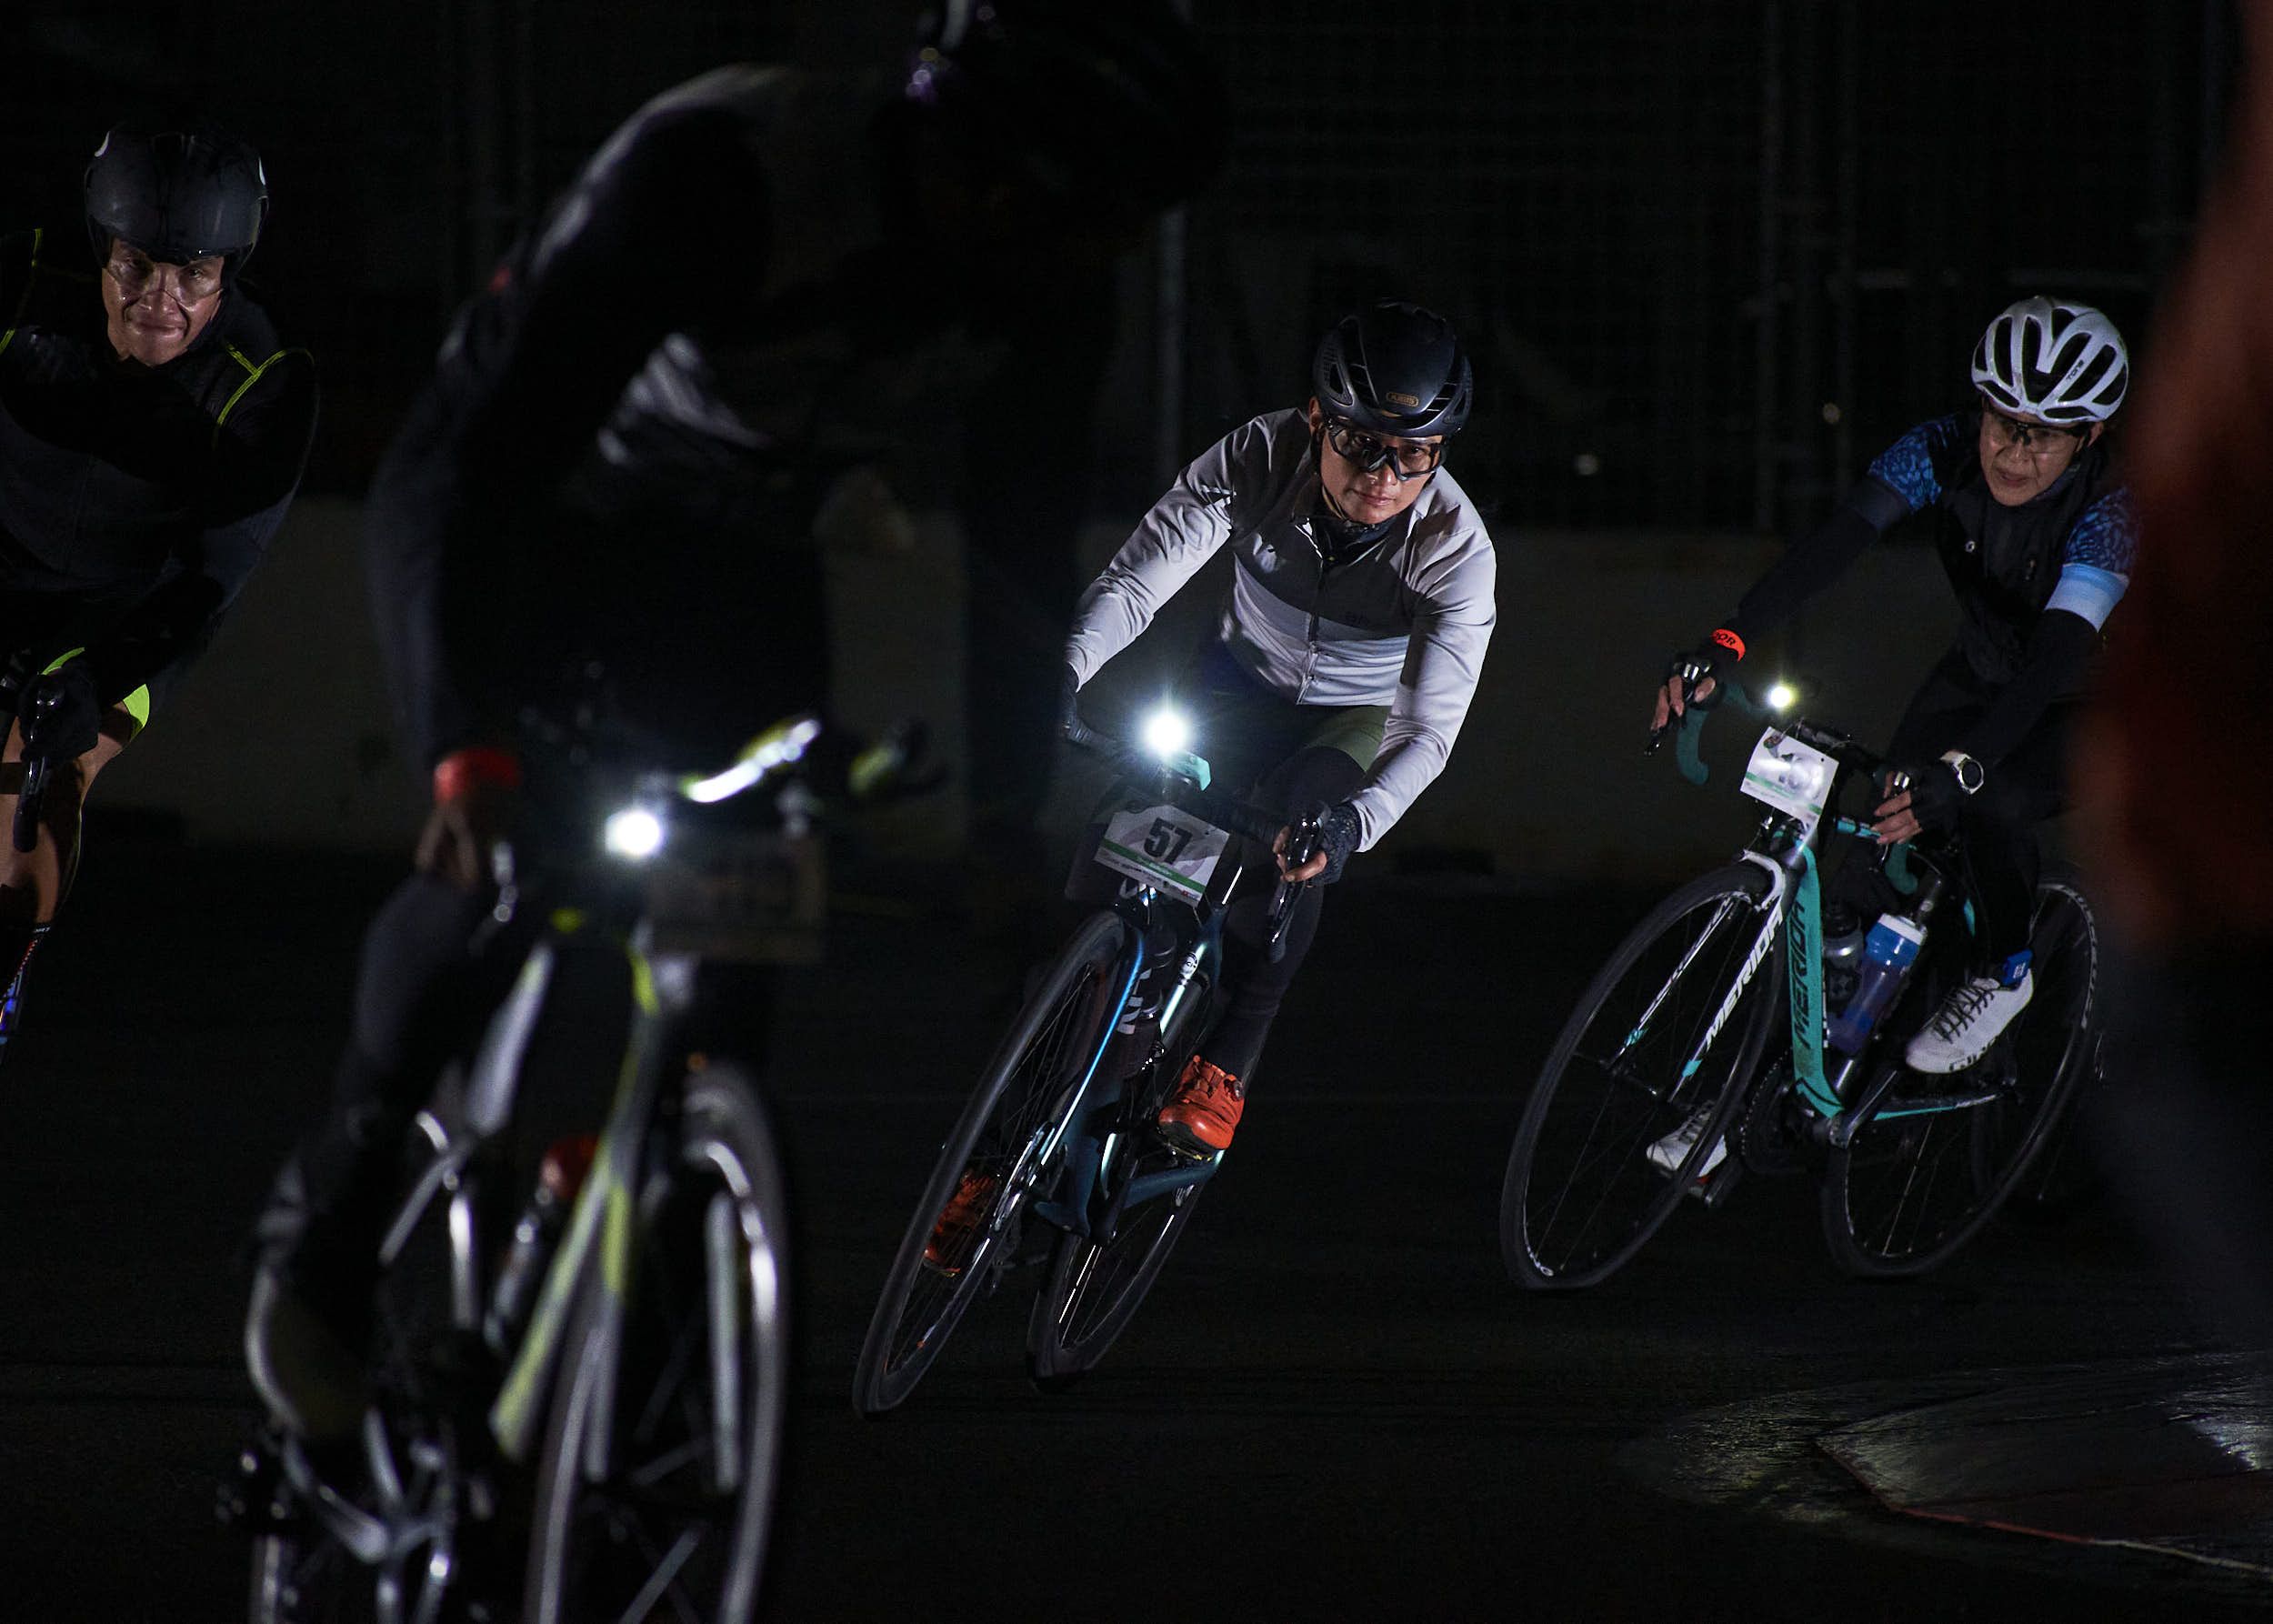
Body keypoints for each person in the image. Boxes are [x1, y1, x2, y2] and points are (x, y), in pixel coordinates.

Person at [245, 0, 1229, 1440]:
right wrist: (468, 749)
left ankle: (651, 1318)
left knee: (737, 941)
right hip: (540, 505)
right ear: (1004, 166)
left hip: (742, 555)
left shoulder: (1049, 284)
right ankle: (328, 1225)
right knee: (504, 864)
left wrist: (1011, 822)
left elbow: (1019, 554)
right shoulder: (727, 175)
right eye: (1096, 220)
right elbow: (472, 468)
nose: (1102, 266)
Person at [1055, 300, 1496, 1158]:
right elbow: (1137, 584)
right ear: (1317, 419)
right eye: (1361, 442)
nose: (1383, 476)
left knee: (1301, 827)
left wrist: (1353, 825)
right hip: (1236, 678)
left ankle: (1229, 1055)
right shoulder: (1257, 456)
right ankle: (1026, 1108)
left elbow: (1425, 734)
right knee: (1113, 842)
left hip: (1349, 718)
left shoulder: (1456, 549)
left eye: (1414, 454)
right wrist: (1065, 672)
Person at [1653, 296, 2135, 1078]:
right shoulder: (1941, 447)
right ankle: (1763, 1102)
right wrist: (1729, 639)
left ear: (2091, 435)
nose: (2012, 453)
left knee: (1993, 801)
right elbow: (1836, 544)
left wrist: (1964, 769)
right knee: (1872, 861)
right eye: (2001, 420)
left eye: (2043, 434)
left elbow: (2055, 658)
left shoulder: (2112, 510)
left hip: (2094, 700)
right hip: (1983, 669)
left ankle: (2006, 971)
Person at [0, 122, 315, 1054]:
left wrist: (98, 677)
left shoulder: (264, 377)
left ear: (230, 272)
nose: (160, 303)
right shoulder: (22, 280)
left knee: (45, 767)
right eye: (136, 266)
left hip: (131, 612)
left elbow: (212, 577)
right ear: (101, 246)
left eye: (195, 276)